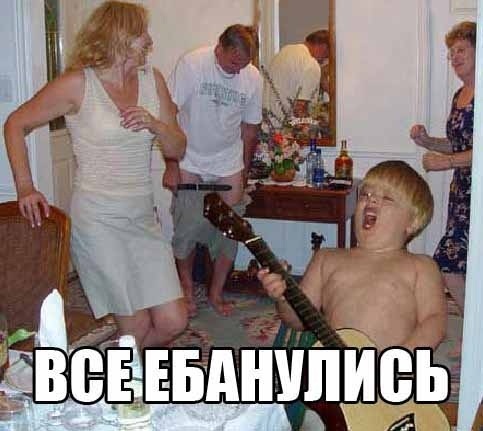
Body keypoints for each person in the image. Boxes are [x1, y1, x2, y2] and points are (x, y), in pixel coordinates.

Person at [3, 1, 188, 348]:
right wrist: (26, 187)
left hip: (142, 218)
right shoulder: (78, 84)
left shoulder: (153, 80)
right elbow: (15, 123)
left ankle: (114, 366)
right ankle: (122, 374)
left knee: (173, 320)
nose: (149, 41)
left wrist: (156, 125)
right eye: (142, 33)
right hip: (98, 221)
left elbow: (177, 147)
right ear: (120, 36)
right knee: (135, 325)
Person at [258, 161, 447, 351]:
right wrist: (284, 297)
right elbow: (298, 321)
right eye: (365, 194)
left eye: (387, 198)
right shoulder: (326, 258)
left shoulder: (421, 266)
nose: (371, 200)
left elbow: (434, 322)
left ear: (412, 222)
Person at [165, 24, 262, 317]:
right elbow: (168, 114)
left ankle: (216, 293)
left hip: (227, 160)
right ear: (219, 47)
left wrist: (243, 172)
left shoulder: (252, 78)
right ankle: (186, 289)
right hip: (190, 157)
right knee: (187, 227)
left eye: (244, 64)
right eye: (233, 62)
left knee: (231, 231)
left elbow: (250, 129)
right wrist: (172, 165)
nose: (238, 70)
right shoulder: (192, 65)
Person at [410, 21, 475, 314]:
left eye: (461, 49)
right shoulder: (459, 95)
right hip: (462, 192)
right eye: (451, 52)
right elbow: (458, 144)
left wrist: (447, 162)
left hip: (478, 192)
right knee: (454, 264)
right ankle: (474, 326)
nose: (455, 57)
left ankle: (474, 328)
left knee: (450, 262)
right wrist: (427, 141)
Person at [263, 29, 329, 125]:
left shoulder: (285, 51)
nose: (323, 61)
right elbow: (299, 109)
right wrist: (313, 124)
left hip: (267, 125)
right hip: (287, 128)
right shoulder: (312, 64)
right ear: (323, 47)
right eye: (326, 56)